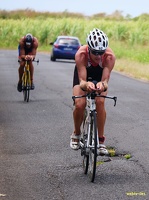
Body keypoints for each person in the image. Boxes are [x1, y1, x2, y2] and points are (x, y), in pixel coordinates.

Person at [70, 28, 116, 155]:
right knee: (79, 103)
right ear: (89, 49)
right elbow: (82, 81)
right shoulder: (81, 55)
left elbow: (105, 81)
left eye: (101, 52)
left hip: (100, 74)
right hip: (83, 75)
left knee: (100, 101)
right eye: (95, 52)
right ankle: (77, 133)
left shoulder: (109, 57)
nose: (98, 56)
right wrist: (86, 84)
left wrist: (102, 84)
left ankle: (101, 141)